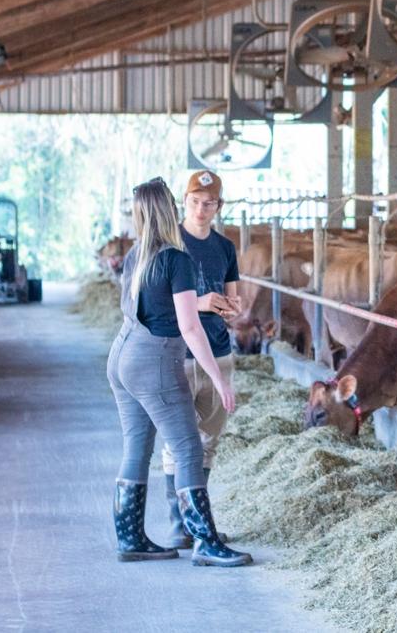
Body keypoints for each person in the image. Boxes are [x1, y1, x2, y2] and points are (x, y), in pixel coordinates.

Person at [106, 177, 251, 567]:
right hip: (155, 359)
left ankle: (130, 537)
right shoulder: (176, 258)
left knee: (138, 447)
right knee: (188, 447)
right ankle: (204, 541)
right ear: (172, 208)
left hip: (123, 354)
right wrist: (219, 379)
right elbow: (190, 328)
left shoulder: (138, 253)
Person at [159, 171, 244, 549]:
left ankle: (197, 522)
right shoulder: (168, 244)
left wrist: (231, 308)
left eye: (209, 202)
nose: (201, 208)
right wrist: (200, 302)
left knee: (208, 438)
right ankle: (179, 523)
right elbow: (156, 302)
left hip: (218, 351)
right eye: (195, 201)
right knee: (178, 440)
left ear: (218, 206)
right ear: (184, 201)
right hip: (178, 352)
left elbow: (234, 296)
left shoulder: (225, 248)